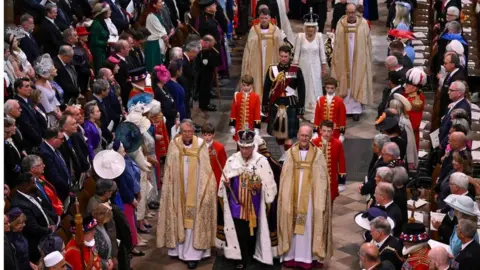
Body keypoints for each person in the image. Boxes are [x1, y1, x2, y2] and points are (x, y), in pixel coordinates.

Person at [156, 119, 217, 269]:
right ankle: (178, 250)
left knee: (194, 221)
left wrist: (207, 189)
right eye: (185, 132)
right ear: (181, 131)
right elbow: (169, 168)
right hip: (178, 191)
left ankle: (193, 255)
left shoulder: (201, 144)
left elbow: (206, 170)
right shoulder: (174, 144)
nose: (188, 134)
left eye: (190, 132)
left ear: (193, 131)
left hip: (195, 191)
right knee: (178, 218)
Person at [216, 129, 277, 269]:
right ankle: (240, 258)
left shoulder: (261, 162)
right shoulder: (232, 160)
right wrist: (226, 184)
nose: (244, 151)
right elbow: (224, 180)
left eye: (247, 148)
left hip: (254, 206)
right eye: (242, 148)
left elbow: (268, 184)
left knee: (252, 233)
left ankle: (251, 255)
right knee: (239, 231)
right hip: (236, 205)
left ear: (253, 147)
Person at [277, 124, 332, 269]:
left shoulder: (318, 154)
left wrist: (318, 196)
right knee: (291, 224)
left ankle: (308, 257)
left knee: (309, 227)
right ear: (298, 136)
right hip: (293, 198)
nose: (304, 138)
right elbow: (285, 177)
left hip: (310, 199)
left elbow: (322, 178)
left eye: (307, 136)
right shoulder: (290, 154)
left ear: (311, 136)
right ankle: (290, 256)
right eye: (302, 135)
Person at [262, 45, 305, 161]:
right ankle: (283, 154)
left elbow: (301, 89)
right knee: (278, 134)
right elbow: (266, 88)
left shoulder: (296, 70)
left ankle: (287, 156)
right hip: (276, 103)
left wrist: (301, 107)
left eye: (286, 56)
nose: (283, 58)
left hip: (290, 104)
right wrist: (265, 105)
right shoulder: (272, 70)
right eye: (281, 56)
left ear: (290, 56)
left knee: (289, 135)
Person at [331, 3, 373, 121]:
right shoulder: (341, 23)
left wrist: (367, 58)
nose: (351, 15)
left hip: (358, 59)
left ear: (356, 12)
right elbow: (337, 43)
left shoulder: (363, 24)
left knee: (357, 80)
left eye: (353, 12)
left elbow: (368, 42)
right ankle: (344, 108)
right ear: (346, 12)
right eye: (349, 12)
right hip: (344, 60)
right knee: (344, 81)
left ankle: (356, 110)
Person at [9, 173, 58, 263]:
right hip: (39, 244)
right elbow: (33, 228)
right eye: (32, 182)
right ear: (26, 185)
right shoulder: (19, 204)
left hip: (48, 234)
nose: (35, 184)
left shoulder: (31, 193)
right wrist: (49, 230)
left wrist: (51, 222)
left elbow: (42, 210)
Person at [241, 7, 285, 101]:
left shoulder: (275, 30)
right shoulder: (254, 30)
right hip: (256, 61)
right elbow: (249, 47)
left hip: (271, 60)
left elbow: (280, 46)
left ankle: (269, 99)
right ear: (258, 18)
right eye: (261, 18)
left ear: (270, 18)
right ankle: (257, 100)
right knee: (257, 79)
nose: (264, 20)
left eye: (266, 18)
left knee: (270, 78)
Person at [293, 8, 327, 121]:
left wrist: (323, 67)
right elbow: (296, 54)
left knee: (315, 87)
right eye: (308, 27)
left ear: (315, 27)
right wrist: (294, 70)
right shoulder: (300, 37)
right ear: (305, 27)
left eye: (313, 27)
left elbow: (322, 54)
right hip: (303, 68)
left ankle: (316, 112)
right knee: (304, 88)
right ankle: (302, 112)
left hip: (316, 67)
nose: (310, 29)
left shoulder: (319, 37)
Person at [312, 120, 347, 197]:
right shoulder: (314, 143)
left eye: (329, 131)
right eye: (324, 131)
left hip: (331, 179)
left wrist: (341, 181)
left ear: (332, 132)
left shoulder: (338, 144)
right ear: (320, 131)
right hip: (316, 178)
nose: (326, 134)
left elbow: (341, 161)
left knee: (330, 200)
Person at [39, 128, 71, 202]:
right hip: (59, 192)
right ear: (54, 139)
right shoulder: (45, 153)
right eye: (61, 139)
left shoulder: (54, 148)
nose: (63, 141)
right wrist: (68, 188)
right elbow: (54, 176)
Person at [229, 75, 261, 141]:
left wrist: (256, 128)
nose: (245, 87)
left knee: (249, 145)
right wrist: (232, 126)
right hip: (238, 126)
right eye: (244, 85)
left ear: (251, 85)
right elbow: (233, 112)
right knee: (239, 145)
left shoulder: (256, 97)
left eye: (247, 85)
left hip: (250, 126)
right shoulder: (237, 96)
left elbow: (257, 114)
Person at [34, 54, 62, 128]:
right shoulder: (39, 88)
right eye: (52, 69)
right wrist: (57, 114)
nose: (55, 69)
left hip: (56, 112)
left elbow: (54, 99)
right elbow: (46, 106)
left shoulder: (47, 82)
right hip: (50, 116)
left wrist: (59, 110)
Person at [143, 0, 170, 71]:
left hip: (158, 42)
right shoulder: (151, 16)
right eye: (160, 2)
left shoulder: (158, 13)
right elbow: (162, 32)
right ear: (154, 5)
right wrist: (167, 43)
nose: (162, 3)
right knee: (154, 68)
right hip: (153, 45)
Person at [201, 123, 227, 189]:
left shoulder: (219, 147)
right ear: (202, 135)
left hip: (216, 177)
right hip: (203, 177)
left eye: (209, 135)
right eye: (205, 135)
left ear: (213, 135)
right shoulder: (199, 147)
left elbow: (224, 164)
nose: (207, 137)